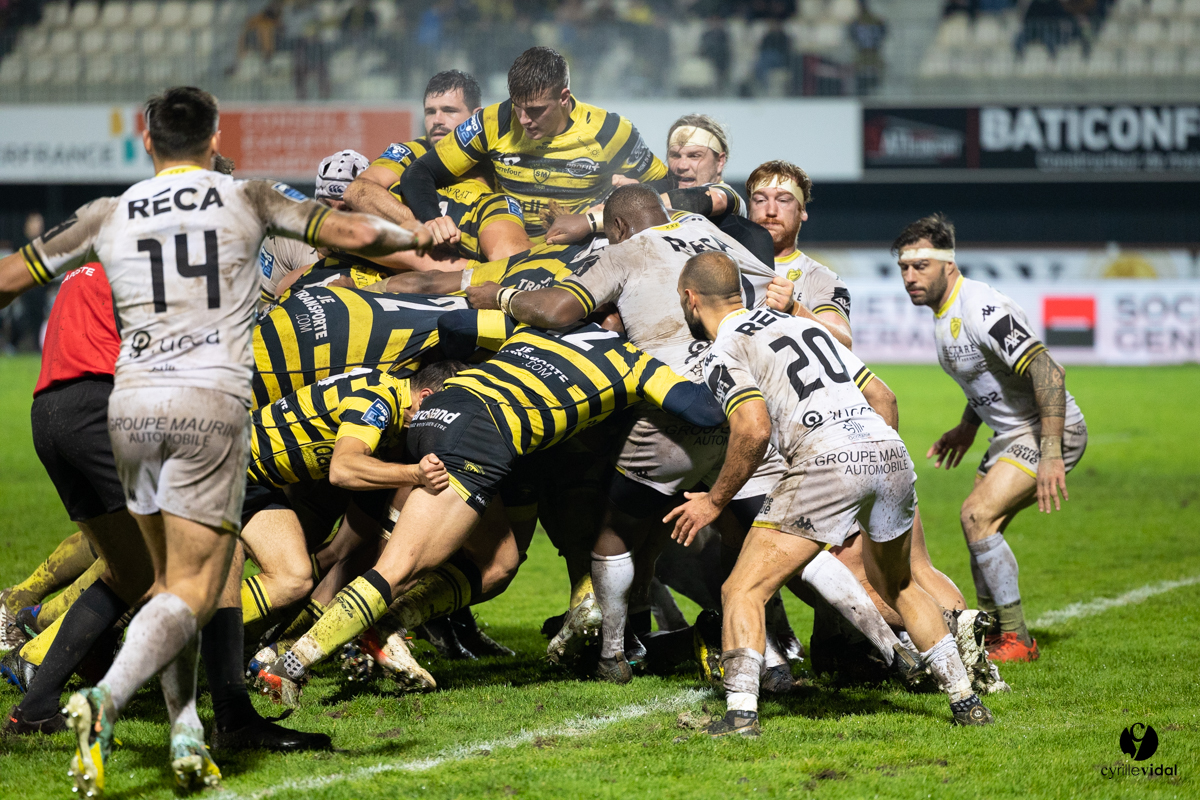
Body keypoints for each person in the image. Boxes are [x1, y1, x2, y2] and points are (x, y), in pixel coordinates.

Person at [0, 86, 428, 795]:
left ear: (145, 142)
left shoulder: (110, 213)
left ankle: (195, 728)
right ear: (214, 137)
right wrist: (423, 235)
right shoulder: (246, 198)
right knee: (195, 582)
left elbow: (13, 277)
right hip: (200, 404)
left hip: (128, 410)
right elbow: (352, 235)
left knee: (168, 578)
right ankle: (118, 703)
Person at [255, 307, 728, 701]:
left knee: (501, 563)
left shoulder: (538, 326)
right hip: (482, 439)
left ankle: (384, 628)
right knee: (396, 567)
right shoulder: (637, 363)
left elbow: (456, 325)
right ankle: (289, 665)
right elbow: (703, 411)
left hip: (441, 414)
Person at [673, 251, 994, 736]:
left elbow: (753, 428)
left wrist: (714, 501)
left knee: (742, 589)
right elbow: (884, 397)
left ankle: (740, 716)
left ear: (689, 299)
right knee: (900, 584)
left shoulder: (725, 346)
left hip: (825, 459)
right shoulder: (804, 325)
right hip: (888, 452)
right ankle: (966, 701)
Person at [467, 184, 777, 681]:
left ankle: (613, 653)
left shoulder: (625, 251)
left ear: (617, 229)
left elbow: (556, 311)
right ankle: (779, 652)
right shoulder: (703, 231)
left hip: (678, 407)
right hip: (753, 402)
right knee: (761, 533)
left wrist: (500, 296)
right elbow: (752, 257)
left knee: (617, 527)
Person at [895, 213, 1087, 662]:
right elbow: (989, 377)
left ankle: (1017, 639)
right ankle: (992, 632)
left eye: (920, 265)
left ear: (949, 264)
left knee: (977, 516)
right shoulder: (945, 313)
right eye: (903, 267)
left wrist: (1052, 453)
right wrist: (968, 424)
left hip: (1047, 428)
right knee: (979, 525)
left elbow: (1048, 372)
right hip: (1011, 432)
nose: (909, 277)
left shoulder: (981, 309)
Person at [399, 47, 668, 242]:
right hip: (509, 247)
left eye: (536, 110)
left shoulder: (610, 131)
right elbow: (418, 172)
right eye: (518, 107)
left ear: (564, 97)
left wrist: (614, 206)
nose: (525, 120)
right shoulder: (494, 120)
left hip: (583, 248)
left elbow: (665, 184)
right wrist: (433, 218)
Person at [344, 70, 531, 265]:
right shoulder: (412, 152)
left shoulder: (501, 162)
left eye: (449, 110)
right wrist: (427, 226)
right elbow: (357, 191)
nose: (437, 120)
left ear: (477, 118)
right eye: (430, 112)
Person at [746, 160, 852, 349]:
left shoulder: (820, 279)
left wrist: (794, 309)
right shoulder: (722, 266)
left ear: (802, 210)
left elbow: (844, 344)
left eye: (783, 200)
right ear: (749, 208)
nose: (770, 211)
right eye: (760, 200)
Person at [257, 149, 370, 307]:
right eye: (326, 207)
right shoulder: (286, 236)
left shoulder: (381, 247)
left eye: (346, 210)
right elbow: (261, 310)